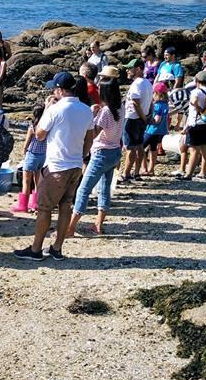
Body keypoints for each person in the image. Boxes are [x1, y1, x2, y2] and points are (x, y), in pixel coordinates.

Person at [14, 73, 94, 261]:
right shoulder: (85, 109)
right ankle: (57, 248)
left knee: (44, 208)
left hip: (57, 166)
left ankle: (35, 249)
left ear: (59, 89)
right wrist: (80, 155)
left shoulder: (56, 109)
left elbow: (39, 134)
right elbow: (90, 139)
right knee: (65, 205)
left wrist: (48, 108)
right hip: (75, 165)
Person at [66, 76, 123, 237]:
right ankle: (98, 225)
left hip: (102, 153)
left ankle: (70, 228)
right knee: (104, 190)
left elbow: (94, 133)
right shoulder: (121, 107)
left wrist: (92, 114)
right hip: (115, 152)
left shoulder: (105, 112)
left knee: (83, 189)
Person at [119, 58, 152, 184]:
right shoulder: (148, 83)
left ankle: (126, 174)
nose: (127, 70)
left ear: (138, 69)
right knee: (139, 146)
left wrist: (144, 117)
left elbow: (135, 103)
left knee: (130, 148)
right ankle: (136, 172)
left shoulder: (137, 83)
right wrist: (148, 116)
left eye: (130, 68)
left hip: (133, 118)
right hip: (141, 118)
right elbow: (151, 102)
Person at [12, 104, 46, 214]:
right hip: (43, 156)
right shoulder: (46, 127)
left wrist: (24, 152)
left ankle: (23, 205)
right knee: (38, 181)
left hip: (32, 155)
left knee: (26, 181)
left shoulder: (32, 127)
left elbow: (26, 143)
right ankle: (35, 204)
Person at [142, 83, 170, 176]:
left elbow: (157, 120)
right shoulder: (165, 104)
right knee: (153, 148)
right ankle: (151, 169)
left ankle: (144, 168)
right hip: (161, 131)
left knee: (141, 148)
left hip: (152, 130)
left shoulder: (157, 106)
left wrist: (147, 120)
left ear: (157, 93)